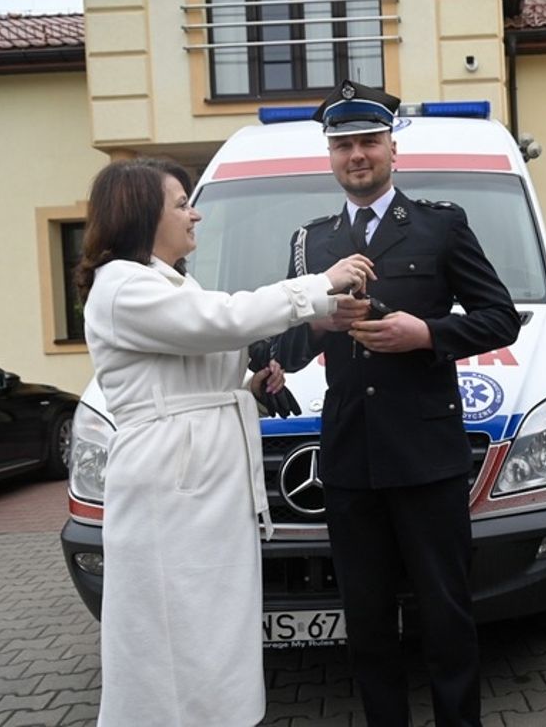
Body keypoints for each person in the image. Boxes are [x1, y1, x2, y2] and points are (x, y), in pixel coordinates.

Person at [76, 157, 372, 727]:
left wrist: (248, 386)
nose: (195, 213)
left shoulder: (167, 283)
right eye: (182, 203)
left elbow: (194, 364)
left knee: (210, 627)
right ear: (140, 216)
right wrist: (318, 285)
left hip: (196, 476)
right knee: (176, 630)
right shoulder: (123, 287)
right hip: (171, 483)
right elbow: (224, 320)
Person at [270, 79, 521, 726]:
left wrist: (427, 334)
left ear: (391, 150)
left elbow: (501, 318)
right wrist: (319, 324)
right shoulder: (310, 243)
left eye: (369, 142)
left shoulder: (440, 226)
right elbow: (291, 349)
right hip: (351, 462)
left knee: (446, 614)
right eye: (344, 145)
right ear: (329, 156)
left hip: (427, 457)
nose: (357, 155)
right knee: (368, 622)